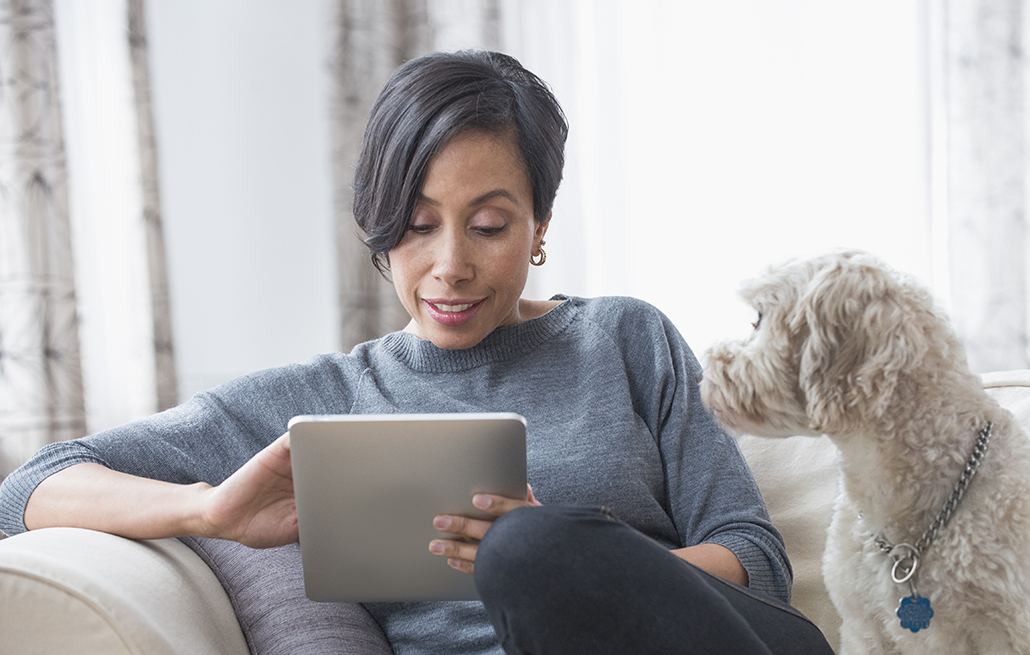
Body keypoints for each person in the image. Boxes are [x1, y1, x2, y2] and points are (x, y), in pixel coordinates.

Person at [0, 50, 832, 654]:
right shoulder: (322, 399)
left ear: (540, 227)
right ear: (379, 228)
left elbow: (755, 560)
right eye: (419, 223)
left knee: (528, 548)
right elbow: (32, 487)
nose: (450, 265)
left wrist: (580, 555)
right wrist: (206, 511)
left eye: (490, 225)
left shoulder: (622, 337)